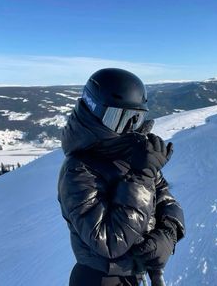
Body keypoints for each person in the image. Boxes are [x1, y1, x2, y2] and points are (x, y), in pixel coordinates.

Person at [58, 68, 185, 286]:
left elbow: (166, 198)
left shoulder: (134, 154)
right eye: (117, 118)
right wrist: (142, 178)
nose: (127, 128)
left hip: (136, 276)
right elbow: (108, 242)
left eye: (134, 119)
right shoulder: (78, 170)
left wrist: (168, 234)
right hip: (100, 279)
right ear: (93, 114)